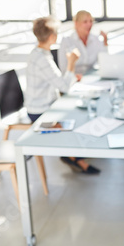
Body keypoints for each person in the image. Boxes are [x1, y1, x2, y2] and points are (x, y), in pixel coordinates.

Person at [26, 16, 100, 175]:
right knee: (77, 119)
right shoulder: (42, 59)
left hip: (46, 105)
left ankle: (73, 156)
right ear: (52, 37)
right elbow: (64, 87)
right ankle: (75, 157)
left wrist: (71, 74)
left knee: (78, 114)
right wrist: (71, 63)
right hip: (40, 112)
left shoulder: (39, 53)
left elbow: (58, 81)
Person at [58, 10, 108, 75]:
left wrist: (105, 41)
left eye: (91, 21)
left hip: (91, 77)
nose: (89, 24)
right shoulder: (67, 41)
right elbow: (63, 69)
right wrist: (75, 77)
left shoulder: (95, 39)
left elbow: (104, 61)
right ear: (76, 23)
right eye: (85, 22)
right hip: (73, 80)